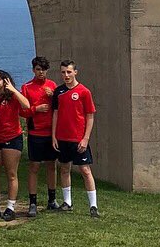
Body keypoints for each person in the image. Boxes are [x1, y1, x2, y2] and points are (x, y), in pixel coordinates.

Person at [51, 60, 99, 218]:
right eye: (63, 72)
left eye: (69, 72)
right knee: (64, 169)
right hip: (62, 138)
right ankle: (67, 202)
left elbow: (90, 116)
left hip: (78, 138)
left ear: (75, 72)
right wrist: (54, 136)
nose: (66, 75)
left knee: (85, 170)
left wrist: (85, 138)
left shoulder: (84, 92)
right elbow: (56, 114)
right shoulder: (58, 92)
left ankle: (93, 206)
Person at [0, 69, 31, 220]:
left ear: (5, 81)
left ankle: (10, 207)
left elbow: (26, 105)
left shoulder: (12, 96)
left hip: (12, 138)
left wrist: (13, 90)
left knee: (11, 173)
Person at [21, 56, 59, 215]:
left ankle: (52, 199)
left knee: (51, 165)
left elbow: (60, 108)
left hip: (51, 133)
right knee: (34, 166)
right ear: (33, 70)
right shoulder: (27, 87)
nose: (41, 72)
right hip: (35, 132)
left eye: (43, 69)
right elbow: (22, 111)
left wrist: (53, 97)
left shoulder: (52, 86)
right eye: (38, 69)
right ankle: (33, 202)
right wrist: (36, 109)